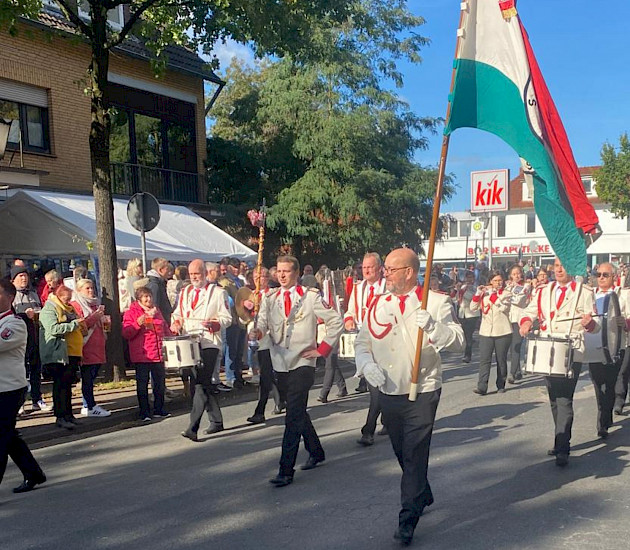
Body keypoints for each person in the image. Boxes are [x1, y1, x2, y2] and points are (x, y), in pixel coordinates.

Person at [354, 248, 464, 546]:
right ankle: (422, 492)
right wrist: (365, 365)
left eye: (390, 269)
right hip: (389, 388)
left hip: (422, 390)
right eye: (385, 269)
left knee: (415, 454)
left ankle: (407, 519)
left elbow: (459, 341)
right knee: (402, 451)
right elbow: (362, 342)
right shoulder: (378, 303)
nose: (384, 273)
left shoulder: (436, 302)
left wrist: (433, 326)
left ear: (409, 272)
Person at [250, 255, 343, 487]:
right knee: (297, 409)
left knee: (292, 416)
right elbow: (262, 323)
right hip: (280, 361)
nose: (281, 275)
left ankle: (285, 469)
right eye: (278, 271)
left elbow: (336, 321)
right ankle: (316, 450)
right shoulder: (269, 298)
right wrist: (258, 333)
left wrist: (322, 349)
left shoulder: (310, 297)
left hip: (303, 361)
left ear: (296, 273)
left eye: (286, 271)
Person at [519, 257, 599, 466]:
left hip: (571, 350)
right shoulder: (543, 291)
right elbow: (529, 312)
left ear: (572, 268)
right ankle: (560, 438)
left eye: (564, 265)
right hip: (548, 350)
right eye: (556, 266)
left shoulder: (584, 291)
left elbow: (596, 323)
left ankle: (563, 447)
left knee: (564, 398)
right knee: (554, 398)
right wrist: (526, 322)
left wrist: (589, 323)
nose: (560, 269)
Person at [172, 259, 232, 440]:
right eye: (191, 275)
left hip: (209, 342)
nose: (194, 278)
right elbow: (177, 313)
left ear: (205, 273)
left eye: (197, 274)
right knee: (201, 382)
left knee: (200, 383)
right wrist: (175, 322)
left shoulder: (218, 292)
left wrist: (215, 323)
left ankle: (192, 427)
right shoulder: (184, 292)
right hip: (190, 341)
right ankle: (217, 420)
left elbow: (227, 318)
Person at [0, 279, 47, 494]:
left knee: (1, 436)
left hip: (9, 388)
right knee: (8, 436)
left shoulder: (15, 323)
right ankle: (33, 473)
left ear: (10, 297)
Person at [582, 262, 625, 438]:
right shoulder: (589, 295)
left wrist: (625, 323)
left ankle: (604, 420)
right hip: (594, 346)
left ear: (613, 276)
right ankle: (603, 416)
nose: (600, 278)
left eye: (605, 275)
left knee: (611, 384)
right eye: (598, 274)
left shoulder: (622, 296)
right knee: (598, 385)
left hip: (615, 347)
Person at [122, 287, 172, 421]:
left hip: (157, 352)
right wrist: (138, 323)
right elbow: (127, 333)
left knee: (159, 383)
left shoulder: (157, 311)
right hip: (142, 354)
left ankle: (159, 409)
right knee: (142, 384)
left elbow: (165, 328)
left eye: (150, 296)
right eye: (145, 297)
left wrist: (170, 339)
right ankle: (144, 412)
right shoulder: (131, 313)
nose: (148, 299)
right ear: (139, 299)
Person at [39, 285, 85, 430]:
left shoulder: (69, 309)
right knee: (60, 386)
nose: (68, 301)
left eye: (70, 299)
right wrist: (73, 325)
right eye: (66, 299)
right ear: (59, 296)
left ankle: (69, 414)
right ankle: (60, 416)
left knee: (67, 386)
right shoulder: (49, 309)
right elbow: (53, 329)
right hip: (58, 354)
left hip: (71, 353)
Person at [246, 267, 285, 424]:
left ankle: (260, 410)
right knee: (267, 373)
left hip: (271, 338)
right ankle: (281, 399)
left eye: (261, 276)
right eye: (255, 276)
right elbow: (244, 319)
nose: (258, 279)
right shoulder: (250, 295)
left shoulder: (273, 294)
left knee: (267, 374)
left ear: (267, 278)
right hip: (258, 339)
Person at [10, 265, 48, 412]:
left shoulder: (33, 293)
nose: (24, 278)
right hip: (20, 339)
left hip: (36, 336)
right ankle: (20, 402)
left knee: (35, 369)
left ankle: (37, 399)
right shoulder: (11, 296)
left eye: (25, 276)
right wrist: (25, 315)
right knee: (22, 372)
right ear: (13, 280)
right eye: (20, 276)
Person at [70, 279, 110, 417]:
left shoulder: (95, 304)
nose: (91, 291)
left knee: (92, 377)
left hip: (98, 344)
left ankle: (89, 404)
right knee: (87, 377)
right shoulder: (76, 305)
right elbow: (80, 326)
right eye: (87, 288)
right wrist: (95, 317)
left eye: (92, 288)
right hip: (86, 346)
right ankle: (89, 406)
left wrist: (104, 321)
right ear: (79, 290)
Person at [470, 270, 512, 395]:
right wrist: (478, 293)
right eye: (495, 281)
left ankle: (501, 384)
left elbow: (505, 308)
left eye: (500, 280)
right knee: (484, 359)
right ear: (490, 282)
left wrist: (493, 296)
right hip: (486, 331)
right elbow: (473, 307)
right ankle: (482, 386)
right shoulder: (485, 294)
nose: (498, 283)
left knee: (501, 359)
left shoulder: (506, 293)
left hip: (502, 331)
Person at [219, 258, 247, 388]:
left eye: (238, 267)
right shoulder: (224, 281)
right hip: (232, 319)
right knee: (232, 349)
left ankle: (238, 374)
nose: (236, 269)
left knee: (240, 349)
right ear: (228, 267)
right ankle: (231, 377)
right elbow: (228, 300)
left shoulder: (240, 281)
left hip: (242, 318)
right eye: (234, 267)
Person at [505, 264, 531, 384]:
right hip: (508, 318)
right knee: (511, 346)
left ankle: (512, 373)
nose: (516, 276)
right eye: (513, 274)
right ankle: (517, 370)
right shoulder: (508, 287)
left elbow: (518, 300)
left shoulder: (526, 286)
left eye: (518, 273)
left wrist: (510, 292)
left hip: (519, 319)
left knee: (516, 346)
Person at [456, 270, 480, 364]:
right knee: (464, 334)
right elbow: (457, 299)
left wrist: (462, 291)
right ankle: (466, 351)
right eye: (467, 277)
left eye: (471, 277)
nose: (469, 280)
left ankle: (467, 355)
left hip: (472, 314)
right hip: (462, 313)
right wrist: (457, 291)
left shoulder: (476, 287)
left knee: (468, 335)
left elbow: (471, 297)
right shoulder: (463, 287)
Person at [145, 258, 174, 325]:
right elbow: (152, 308)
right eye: (167, 269)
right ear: (160, 270)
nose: (169, 272)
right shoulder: (155, 285)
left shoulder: (159, 283)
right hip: (160, 324)